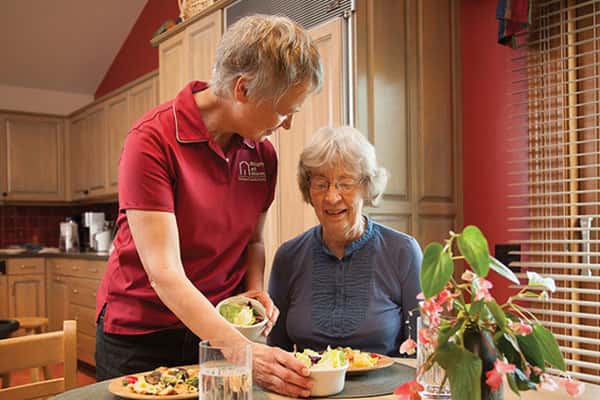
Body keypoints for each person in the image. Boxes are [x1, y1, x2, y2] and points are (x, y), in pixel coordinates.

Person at [95, 14, 322, 397]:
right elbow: (164, 274)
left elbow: (253, 242)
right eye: (285, 111)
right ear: (243, 89)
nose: (286, 126)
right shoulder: (151, 141)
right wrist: (245, 352)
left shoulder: (263, 154)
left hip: (220, 333)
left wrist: (253, 291)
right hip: (142, 336)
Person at [268, 126, 422, 356]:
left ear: (367, 186)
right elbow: (277, 351)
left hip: (386, 390)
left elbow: (423, 349)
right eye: (321, 184)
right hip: (309, 390)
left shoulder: (403, 252)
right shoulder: (288, 257)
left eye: (345, 184)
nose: (331, 197)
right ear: (308, 190)